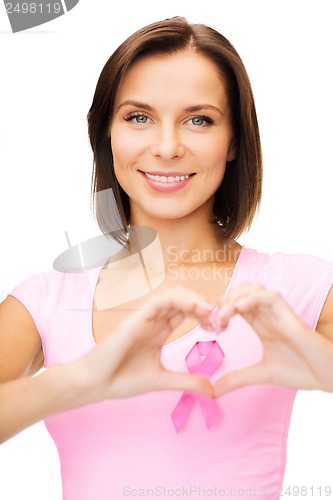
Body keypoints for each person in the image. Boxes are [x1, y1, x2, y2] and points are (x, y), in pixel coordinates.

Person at [0, 16, 332, 499]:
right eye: (139, 117)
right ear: (106, 134)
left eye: (199, 120)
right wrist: (83, 380)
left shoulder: (296, 285)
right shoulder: (49, 299)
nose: (167, 147)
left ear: (235, 139)